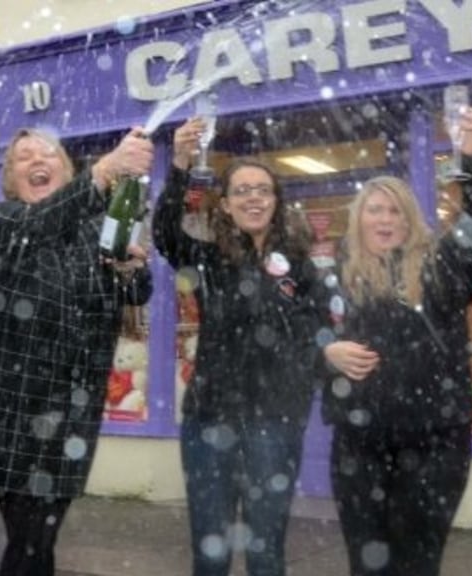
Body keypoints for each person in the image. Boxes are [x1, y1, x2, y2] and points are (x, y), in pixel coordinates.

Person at [319, 107, 472, 576]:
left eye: (396, 210)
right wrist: (323, 352)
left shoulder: (442, 267)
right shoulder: (334, 276)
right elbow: (295, 339)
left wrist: (471, 160)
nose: (385, 219)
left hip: (434, 443)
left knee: (417, 562)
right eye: (375, 210)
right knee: (367, 563)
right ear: (359, 218)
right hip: (358, 445)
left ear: (410, 220)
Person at [0, 126, 154, 576]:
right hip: (10, 407)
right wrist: (105, 170)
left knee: (38, 543)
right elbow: (40, 223)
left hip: (71, 409)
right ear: (10, 177)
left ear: (66, 171)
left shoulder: (94, 230)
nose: (37, 161)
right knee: (30, 543)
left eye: (48, 154)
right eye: (24, 157)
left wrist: (128, 269)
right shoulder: (1, 221)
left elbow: (136, 291)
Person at [152, 117, 321, 576]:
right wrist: (182, 164)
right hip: (210, 422)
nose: (253, 197)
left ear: (276, 202)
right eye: (242, 190)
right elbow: (166, 233)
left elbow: (317, 337)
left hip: (274, 424)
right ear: (224, 204)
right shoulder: (209, 260)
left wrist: (299, 389)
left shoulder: (301, 268)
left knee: (267, 551)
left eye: (262, 190)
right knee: (211, 551)